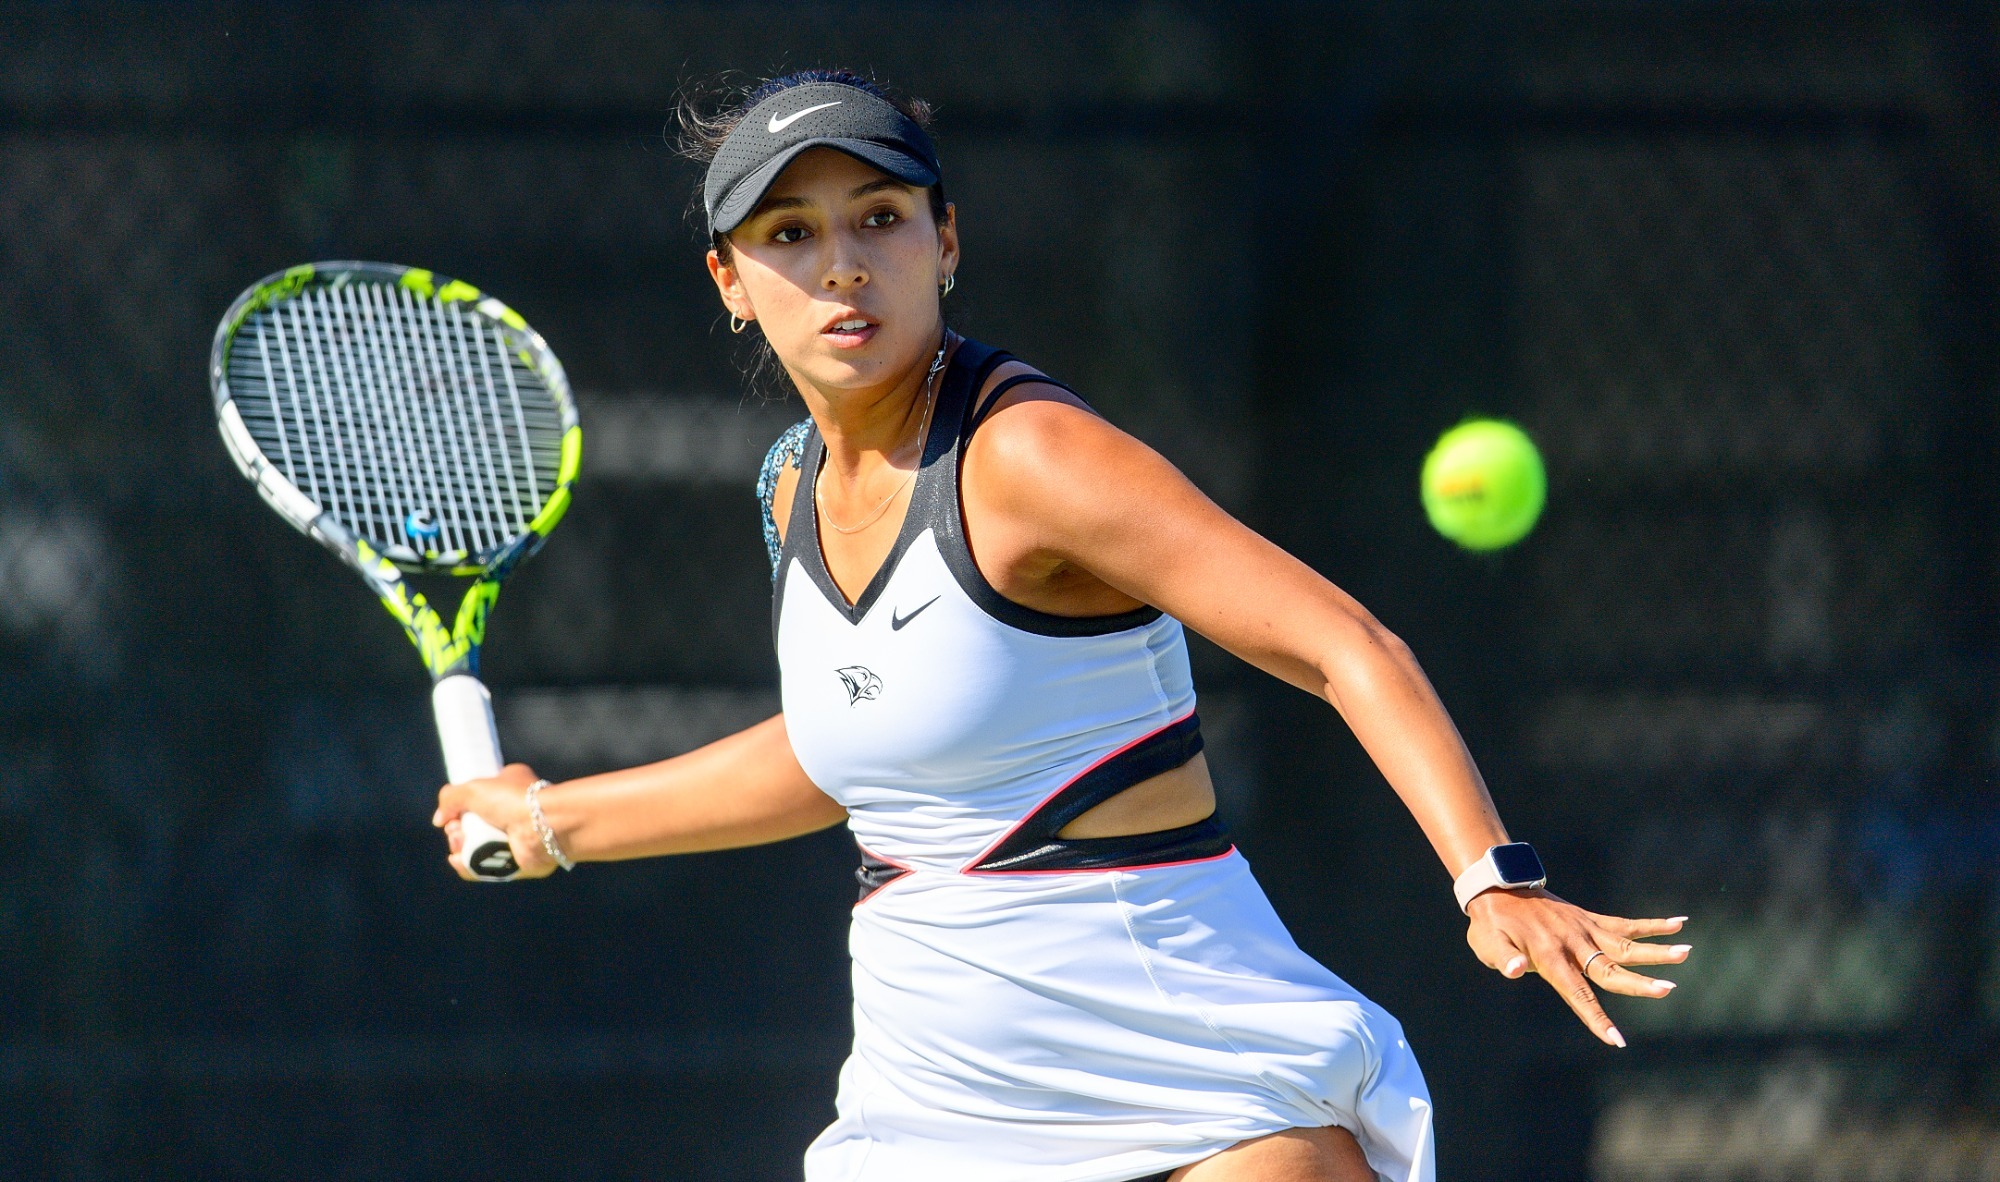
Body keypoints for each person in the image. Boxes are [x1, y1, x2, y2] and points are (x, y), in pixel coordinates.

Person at [435, 70, 1691, 1182]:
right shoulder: (787, 486)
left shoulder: (1033, 456)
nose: (840, 267)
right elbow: (843, 750)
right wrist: (551, 822)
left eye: (879, 220)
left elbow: (1340, 644)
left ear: (945, 241)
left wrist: (1489, 877)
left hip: (1199, 1067)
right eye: (789, 233)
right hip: (929, 1098)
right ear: (730, 281)